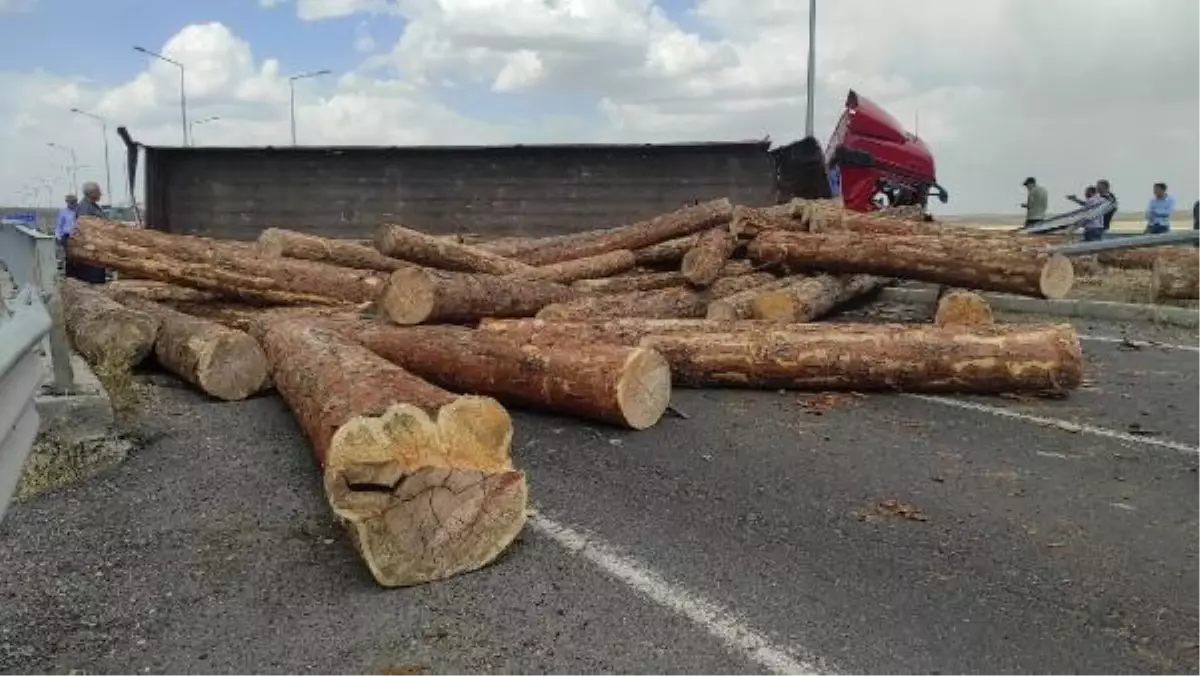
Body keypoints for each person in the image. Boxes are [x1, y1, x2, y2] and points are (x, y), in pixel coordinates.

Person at [60, 181, 108, 284]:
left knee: (97, 276)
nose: (101, 194)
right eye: (98, 191)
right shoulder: (85, 207)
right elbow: (86, 229)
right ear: (91, 193)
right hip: (90, 249)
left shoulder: (92, 206)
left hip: (95, 248)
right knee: (92, 279)